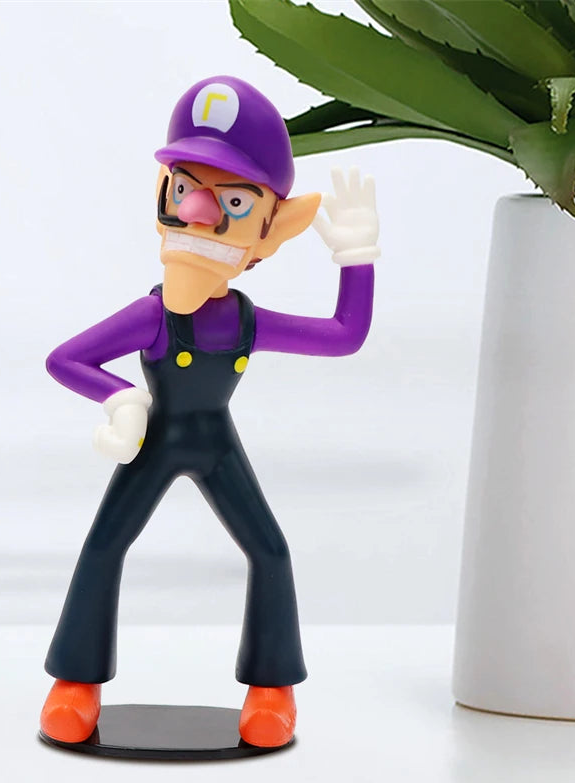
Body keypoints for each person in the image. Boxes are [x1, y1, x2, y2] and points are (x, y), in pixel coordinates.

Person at [40, 76, 380, 748]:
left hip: (216, 441)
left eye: (233, 201)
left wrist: (356, 258)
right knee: (104, 545)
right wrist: (122, 398)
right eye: (184, 188)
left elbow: (344, 336)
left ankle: (272, 691)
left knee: (269, 549)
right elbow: (66, 359)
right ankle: (74, 683)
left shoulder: (245, 322)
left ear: (272, 230)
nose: (197, 211)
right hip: (157, 439)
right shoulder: (152, 316)